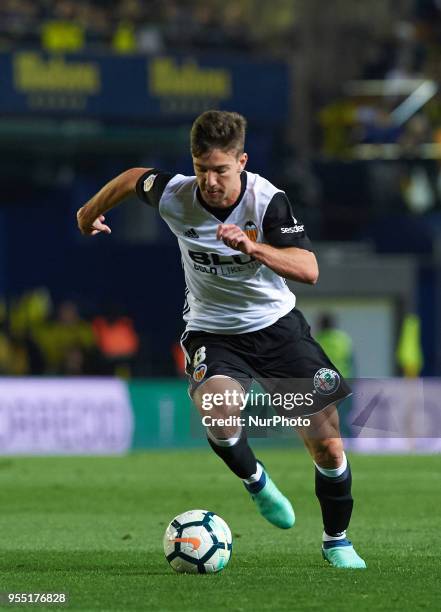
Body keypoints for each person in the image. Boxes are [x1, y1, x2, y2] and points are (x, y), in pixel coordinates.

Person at [77, 110, 366, 569]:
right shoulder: (175, 196)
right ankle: (256, 481)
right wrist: (88, 213)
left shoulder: (267, 201)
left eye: (220, 170)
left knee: (327, 444)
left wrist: (254, 248)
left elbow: (309, 269)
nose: (209, 181)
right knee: (218, 412)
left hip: (276, 327)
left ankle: (337, 540)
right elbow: (133, 178)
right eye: (201, 168)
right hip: (212, 329)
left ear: (242, 162)